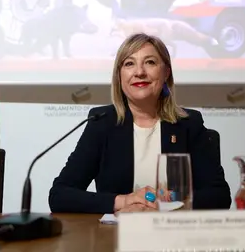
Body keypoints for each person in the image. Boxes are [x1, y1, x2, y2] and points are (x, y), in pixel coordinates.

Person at [48, 33, 231, 213]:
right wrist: (124, 201)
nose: (139, 72)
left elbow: (219, 195)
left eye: (150, 62)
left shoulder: (188, 124)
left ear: (166, 73)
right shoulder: (102, 122)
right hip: (118, 230)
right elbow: (60, 195)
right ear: (119, 76)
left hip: (172, 229)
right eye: (129, 64)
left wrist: (169, 200)